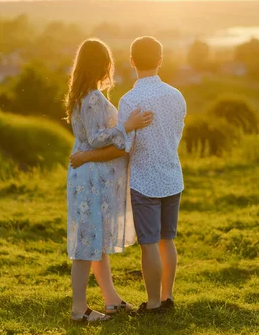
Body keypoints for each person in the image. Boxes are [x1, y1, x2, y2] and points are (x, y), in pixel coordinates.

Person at [71, 36, 186, 315]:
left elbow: (124, 145)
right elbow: (176, 133)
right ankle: (167, 297)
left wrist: (86, 156)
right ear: (160, 60)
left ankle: (154, 303)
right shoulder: (176, 95)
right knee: (166, 240)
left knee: (149, 245)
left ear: (132, 62)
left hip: (145, 180)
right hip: (172, 177)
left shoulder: (129, 99)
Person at [65, 38, 154, 323]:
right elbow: (96, 139)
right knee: (86, 242)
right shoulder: (91, 98)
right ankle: (79, 309)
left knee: (95, 241)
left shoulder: (84, 95)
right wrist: (127, 126)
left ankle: (111, 300)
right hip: (90, 177)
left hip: (90, 175)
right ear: (101, 64)